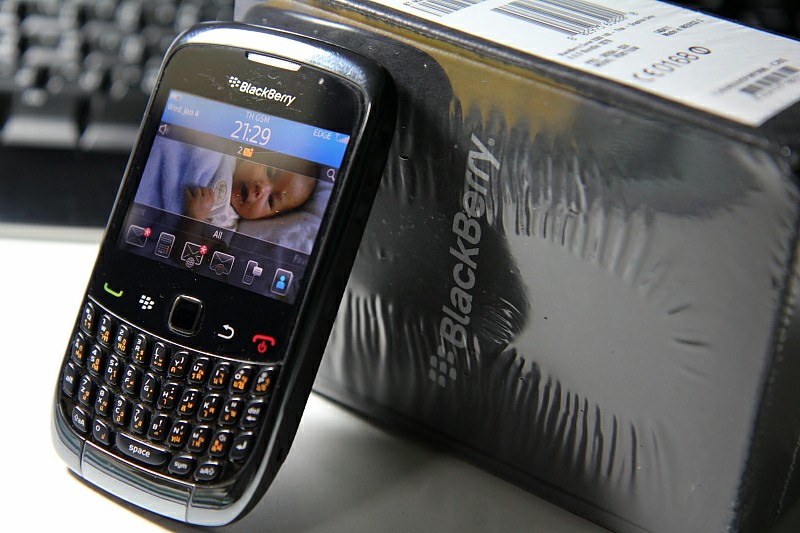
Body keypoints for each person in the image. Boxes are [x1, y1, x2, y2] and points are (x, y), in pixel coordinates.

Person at [184, 158, 318, 223]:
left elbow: (190, 253)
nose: (262, 189)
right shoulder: (228, 155)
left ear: (265, 218)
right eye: (270, 172)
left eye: (270, 201)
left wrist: (196, 218)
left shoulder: (226, 221)